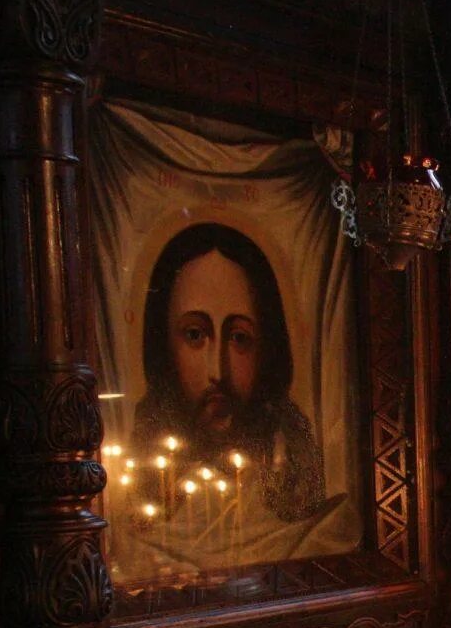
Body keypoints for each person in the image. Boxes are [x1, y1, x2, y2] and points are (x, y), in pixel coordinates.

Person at [132, 222, 326, 524]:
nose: (217, 372)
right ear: (163, 346)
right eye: (195, 334)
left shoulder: (319, 527)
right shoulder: (140, 529)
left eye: (239, 337)